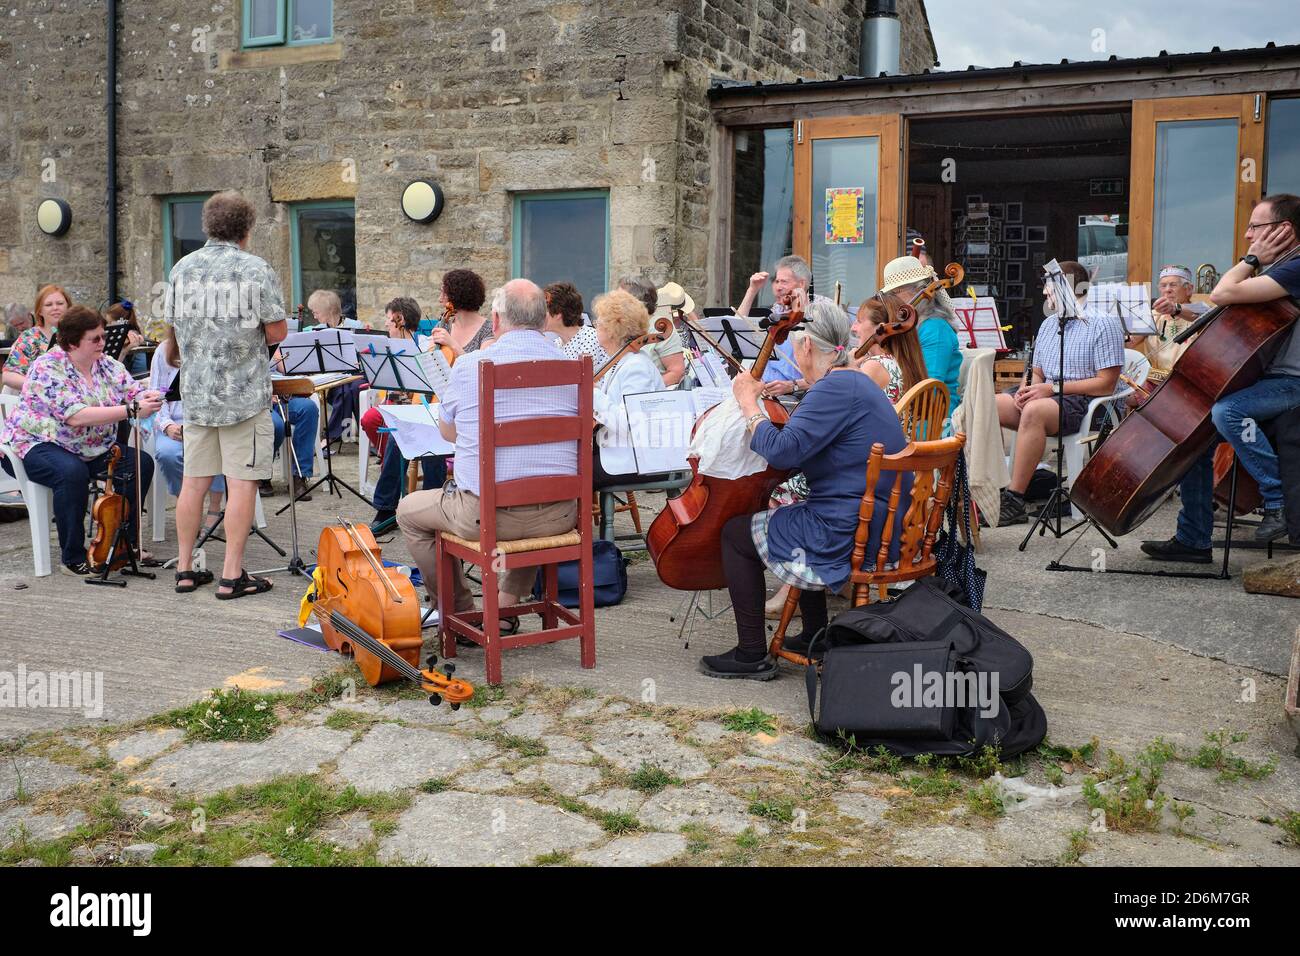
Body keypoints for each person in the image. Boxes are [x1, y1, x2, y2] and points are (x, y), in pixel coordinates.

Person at [699, 300, 910, 680]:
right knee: (800, 507)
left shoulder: (833, 389)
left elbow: (783, 450)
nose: (793, 355)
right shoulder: (856, 381)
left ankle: (751, 654)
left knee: (734, 534)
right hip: (881, 523)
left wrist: (749, 404)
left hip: (850, 529)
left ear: (808, 346)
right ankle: (814, 633)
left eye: (794, 347)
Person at [398, 279, 580, 633]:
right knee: (531, 482)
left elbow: (448, 434)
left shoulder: (472, 366)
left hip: (488, 517)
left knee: (408, 513)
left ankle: (462, 611)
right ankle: (503, 608)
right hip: (560, 514)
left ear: (495, 321)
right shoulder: (573, 366)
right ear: (544, 321)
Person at [1142, 193, 1300, 559]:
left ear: (1284, 230)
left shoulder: (1294, 268)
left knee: (1227, 412)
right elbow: (1224, 308)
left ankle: (1276, 502)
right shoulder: (1281, 270)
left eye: (1255, 227)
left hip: (1292, 384)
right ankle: (1194, 538)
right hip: (1271, 380)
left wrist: (1252, 260)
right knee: (1194, 441)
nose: (1248, 236)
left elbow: (1223, 292)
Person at [166, 190, 288, 598]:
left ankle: (185, 569)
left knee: (193, 484)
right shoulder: (256, 268)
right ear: (247, 228)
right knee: (242, 485)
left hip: (197, 394)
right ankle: (231, 575)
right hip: (244, 395)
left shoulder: (182, 268)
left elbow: (172, 336)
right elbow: (277, 332)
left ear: (208, 225)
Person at [0, 307, 161, 575]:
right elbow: (75, 416)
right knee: (71, 472)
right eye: (95, 339)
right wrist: (130, 410)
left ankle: (122, 544)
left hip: (91, 446)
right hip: (37, 444)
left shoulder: (108, 365)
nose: (104, 343)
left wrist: (153, 395)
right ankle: (72, 556)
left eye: (103, 337)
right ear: (73, 342)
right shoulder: (47, 367)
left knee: (140, 463)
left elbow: (134, 390)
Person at [996, 260, 1124, 525]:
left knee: (1033, 411)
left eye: (1050, 286)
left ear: (1069, 287)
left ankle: (1014, 500)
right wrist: (1026, 388)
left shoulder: (1103, 323)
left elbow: (1106, 384)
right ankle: (990, 487)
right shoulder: (1048, 324)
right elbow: (1037, 371)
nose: (1044, 293)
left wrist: (1049, 389)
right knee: (988, 405)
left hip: (1086, 402)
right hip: (1048, 395)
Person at [367, 297, 452, 530]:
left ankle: (432, 508)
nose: (386, 325)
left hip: (441, 412)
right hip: (418, 410)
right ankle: (385, 508)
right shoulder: (397, 352)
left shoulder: (430, 345)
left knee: (431, 440)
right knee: (398, 435)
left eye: (388, 320)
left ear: (400, 320)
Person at [149, 327, 227, 539]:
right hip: (174, 422)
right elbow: (156, 396)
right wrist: (167, 426)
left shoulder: (215, 346)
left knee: (217, 446)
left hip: (207, 421)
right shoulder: (163, 351)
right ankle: (188, 504)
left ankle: (214, 507)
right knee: (168, 454)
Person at [591, 289, 665, 488]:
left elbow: (630, 424)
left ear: (612, 329)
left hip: (636, 460)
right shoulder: (620, 361)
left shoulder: (637, 367)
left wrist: (594, 393)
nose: (595, 326)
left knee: (569, 474)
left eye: (598, 323)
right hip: (621, 452)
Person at [878, 256, 962, 420]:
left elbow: (928, 388)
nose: (890, 301)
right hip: (910, 411)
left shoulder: (935, 329)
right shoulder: (911, 327)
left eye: (894, 293)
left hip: (930, 419)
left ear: (918, 292)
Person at [735, 255, 832, 398]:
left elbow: (830, 371)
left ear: (801, 284)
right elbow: (737, 326)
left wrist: (793, 385)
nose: (778, 287)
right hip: (763, 389)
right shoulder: (779, 309)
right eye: (777, 281)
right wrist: (752, 290)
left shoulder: (823, 310)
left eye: (784, 282)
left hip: (795, 395)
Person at [1125, 265, 1208, 379]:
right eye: (1163, 286)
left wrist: (1175, 308)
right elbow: (1129, 343)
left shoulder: (1202, 309)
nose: (1167, 290)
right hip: (1154, 381)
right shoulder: (1153, 315)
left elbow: (1202, 316)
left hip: (1187, 381)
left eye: (1173, 285)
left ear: (1189, 289)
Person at [304, 289, 360, 442]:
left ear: (328, 311)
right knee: (344, 390)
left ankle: (337, 435)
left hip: (352, 375)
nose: (314, 316)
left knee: (351, 389)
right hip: (329, 379)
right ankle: (337, 435)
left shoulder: (355, 326)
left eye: (316, 312)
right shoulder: (314, 331)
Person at [851, 295, 929, 403]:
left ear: (879, 329)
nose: (853, 328)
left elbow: (839, 409)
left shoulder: (875, 365)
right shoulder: (904, 363)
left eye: (859, 321)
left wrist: (847, 367)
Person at [619, 277, 687, 387]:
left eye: (619, 299)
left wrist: (645, 389)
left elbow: (676, 372)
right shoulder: (621, 326)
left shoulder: (661, 327)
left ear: (636, 302)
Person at [3, 284, 69, 392]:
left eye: (60, 303)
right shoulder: (30, 337)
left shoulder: (80, 334)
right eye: (48, 305)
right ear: (40, 311)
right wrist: (40, 387)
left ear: (68, 307)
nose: (55, 307)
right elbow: (8, 376)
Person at [430, 269, 493, 357]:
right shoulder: (443, 326)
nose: (440, 299)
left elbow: (481, 368)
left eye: (444, 294)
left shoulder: (489, 330)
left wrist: (452, 344)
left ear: (457, 296)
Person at [545, 281, 607, 367]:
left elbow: (580, 379)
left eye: (544, 310)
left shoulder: (590, 339)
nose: (539, 314)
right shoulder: (556, 344)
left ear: (558, 313)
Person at [105, 300, 147, 376]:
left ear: (121, 322)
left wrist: (127, 348)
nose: (107, 326)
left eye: (109, 322)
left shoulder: (133, 338)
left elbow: (139, 375)